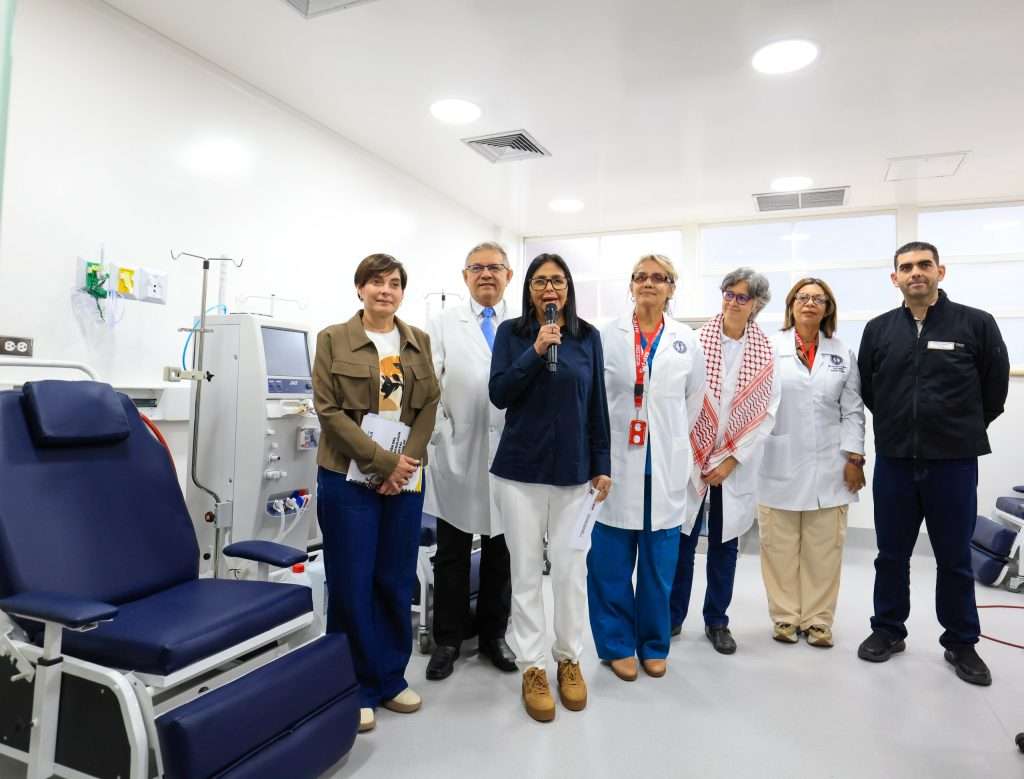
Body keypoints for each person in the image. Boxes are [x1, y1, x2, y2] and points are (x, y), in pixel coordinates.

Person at [856, 241, 1009, 686]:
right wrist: (899, 426)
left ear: (941, 271)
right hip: (896, 461)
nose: (915, 273)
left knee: (954, 557)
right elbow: (870, 389)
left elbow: (994, 390)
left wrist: (956, 428)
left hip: (953, 462)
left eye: (924, 265)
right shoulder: (879, 330)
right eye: (906, 267)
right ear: (895, 278)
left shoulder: (976, 323)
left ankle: (961, 641)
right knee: (891, 554)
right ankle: (888, 629)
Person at [312, 253, 440, 733]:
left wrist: (405, 464)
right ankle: (353, 686)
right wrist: (381, 462)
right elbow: (328, 409)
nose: (385, 290)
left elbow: (429, 404)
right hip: (347, 477)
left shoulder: (417, 340)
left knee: (394, 577)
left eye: (394, 283)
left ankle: (389, 678)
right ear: (359, 288)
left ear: (402, 292)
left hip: (404, 478)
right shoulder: (333, 338)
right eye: (376, 282)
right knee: (352, 581)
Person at [488, 252, 611, 722]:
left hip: (575, 474)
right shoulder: (512, 334)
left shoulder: (588, 337)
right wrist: (536, 351)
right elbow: (500, 393)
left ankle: (568, 658)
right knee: (524, 574)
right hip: (520, 472)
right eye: (540, 281)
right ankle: (533, 667)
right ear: (529, 290)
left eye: (557, 281)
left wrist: (602, 463)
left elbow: (596, 403)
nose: (549, 289)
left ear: (568, 288)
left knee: (569, 572)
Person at [588, 254, 705, 681]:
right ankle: (616, 644)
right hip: (616, 466)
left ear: (672, 287)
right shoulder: (607, 336)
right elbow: (594, 399)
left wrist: (668, 439)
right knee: (609, 564)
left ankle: (654, 644)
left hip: (665, 466)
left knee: (659, 567)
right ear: (631, 285)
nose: (649, 283)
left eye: (659, 278)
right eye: (641, 277)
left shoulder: (686, 339)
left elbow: (694, 401)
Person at [669, 267, 780, 654]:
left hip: (734, 464)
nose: (732, 302)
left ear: (756, 305)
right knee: (682, 542)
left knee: (724, 544)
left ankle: (717, 620)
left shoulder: (766, 351)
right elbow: (679, 399)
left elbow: (767, 412)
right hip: (693, 456)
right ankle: (672, 616)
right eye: (728, 294)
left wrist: (732, 461)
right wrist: (694, 453)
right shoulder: (696, 341)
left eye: (741, 297)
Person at [424, 242, 517, 680]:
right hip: (457, 452)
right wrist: (442, 435)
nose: (486, 274)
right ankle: (447, 639)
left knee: (503, 551)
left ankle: (494, 635)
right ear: (465, 277)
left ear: (508, 276)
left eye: (494, 267)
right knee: (452, 552)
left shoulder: (522, 325)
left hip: (510, 455)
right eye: (477, 268)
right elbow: (428, 385)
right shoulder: (443, 323)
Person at [756, 278, 865, 648]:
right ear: (791, 305)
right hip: (779, 460)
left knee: (824, 549)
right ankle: (785, 617)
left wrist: (855, 456)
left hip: (830, 464)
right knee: (779, 548)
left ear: (828, 308)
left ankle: (818, 621)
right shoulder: (769, 347)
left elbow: (853, 409)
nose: (810, 303)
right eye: (803, 297)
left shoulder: (841, 352)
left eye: (819, 299)